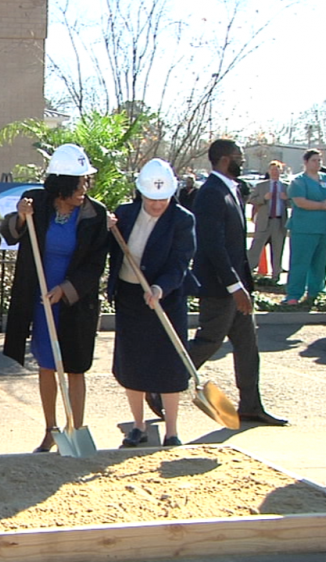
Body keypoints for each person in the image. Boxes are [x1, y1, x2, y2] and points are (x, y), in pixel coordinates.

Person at [1, 144, 108, 452]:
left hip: (76, 301)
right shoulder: (37, 202)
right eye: (78, 183)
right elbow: (10, 233)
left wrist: (66, 289)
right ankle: (50, 430)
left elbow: (96, 264)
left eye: (86, 182)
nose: (84, 189)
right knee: (47, 364)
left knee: (75, 366)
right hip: (40, 300)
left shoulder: (95, 214)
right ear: (61, 184)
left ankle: (75, 428)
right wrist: (21, 218)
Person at [188, 139, 287, 427]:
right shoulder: (210, 193)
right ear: (222, 159)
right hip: (221, 287)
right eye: (237, 157)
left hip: (238, 284)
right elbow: (213, 245)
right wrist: (233, 285)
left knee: (247, 346)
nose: (241, 161)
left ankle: (251, 406)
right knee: (209, 341)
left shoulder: (232, 189)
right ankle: (161, 388)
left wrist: (244, 282)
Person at [109, 159, 196, 448]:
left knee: (169, 364)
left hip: (165, 299)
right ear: (141, 193)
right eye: (151, 199)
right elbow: (109, 248)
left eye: (163, 199)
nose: (157, 205)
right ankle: (137, 426)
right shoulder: (124, 214)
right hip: (130, 297)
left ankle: (171, 431)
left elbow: (180, 262)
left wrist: (161, 287)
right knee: (132, 362)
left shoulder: (182, 220)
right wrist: (106, 228)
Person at [282, 148, 326, 305]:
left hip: (325, 228)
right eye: (314, 160)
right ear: (306, 162)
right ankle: (294, 295)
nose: (317, 163)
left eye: (319, 160)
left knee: (320, 263)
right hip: (304, 229)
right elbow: (300, 201)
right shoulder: (299, 181)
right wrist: (322, 205)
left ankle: (316, 292)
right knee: (300, 262)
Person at [246, 161, 289, 281]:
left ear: (281, 171)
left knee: (277, 250)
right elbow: (252, 200)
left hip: (279, 222)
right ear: (269, 171)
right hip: (264, 222)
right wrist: (263, 198)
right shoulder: (261, 186)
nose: (275, 172)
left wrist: (287, 198)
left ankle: (276, 276)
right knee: (255, 248)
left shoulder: (285, 187)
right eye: (272, 170)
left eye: (277, 170)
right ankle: (247, 273)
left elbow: (293, 203)